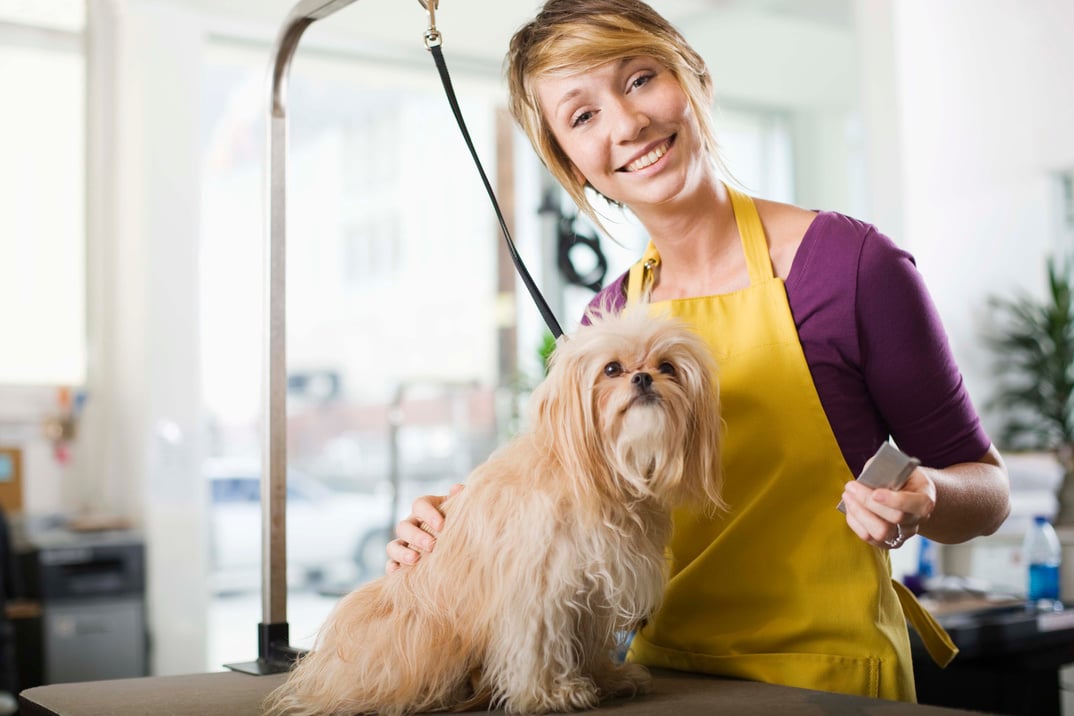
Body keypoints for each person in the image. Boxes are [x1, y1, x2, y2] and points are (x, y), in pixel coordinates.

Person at [387, 0, 1011, 702]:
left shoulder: (851, 267)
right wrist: (452, 524)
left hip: (829, 682)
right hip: (658, 679)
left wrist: (926, 497)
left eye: (639, 78)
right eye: (582, 115)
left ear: (697, 79)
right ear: (572, 164)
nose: (627, 124)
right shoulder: (608, 321)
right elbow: (553, 491)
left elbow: (988, 491)